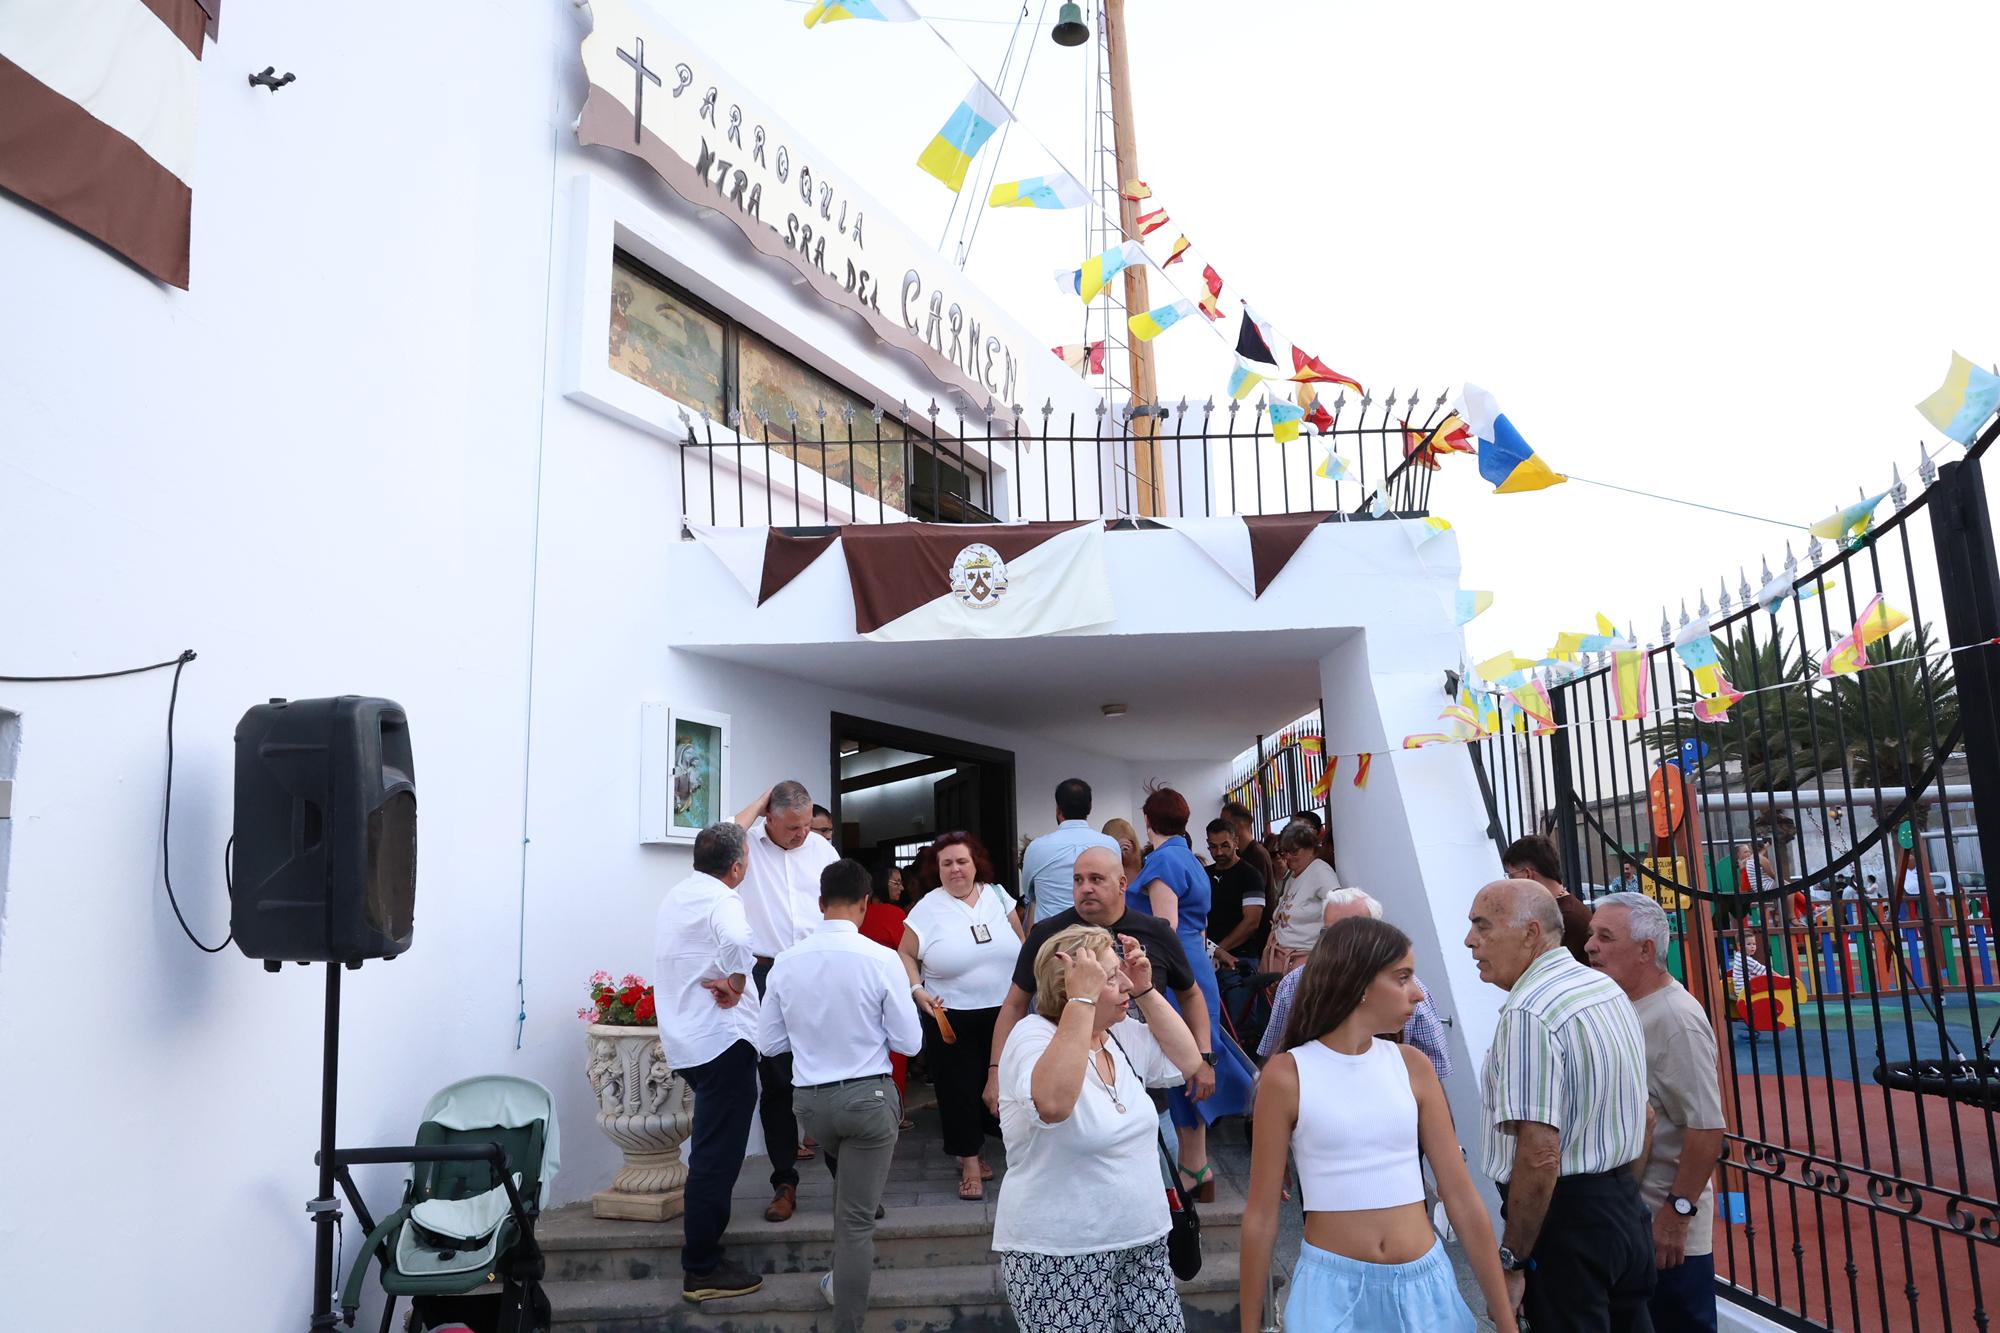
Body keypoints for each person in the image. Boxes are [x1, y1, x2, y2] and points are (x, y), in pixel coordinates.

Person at [1242, 917, 1515, 1333]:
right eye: (1402, 977)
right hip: (1330, 1297)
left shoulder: (1413, 1066)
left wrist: (1507, 1323)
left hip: (1427, 1289)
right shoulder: (1287, 1076)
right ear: (1359, 984)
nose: (1418, 993)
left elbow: (1461, 1198)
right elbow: (1261, 1216)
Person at [992, 924, 1205, 1333]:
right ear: (1073, 987)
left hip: (1144, 1242)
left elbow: (1189, 1062)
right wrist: (1082, 1000)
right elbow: (1053, 1104)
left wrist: (1145, 989)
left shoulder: (1117, 1034)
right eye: (1110, 977)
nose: (1123, 982)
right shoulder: (1030, 1037)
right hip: (1061, 1255)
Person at [1466, 879, 1654, 1333]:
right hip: (1623, 1210)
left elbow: (1540, 1153)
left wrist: (1512, 1260)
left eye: (1482, 926)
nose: (1470, 940)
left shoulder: (1530, 1012)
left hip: (1569, 1221)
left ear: (1531, 933)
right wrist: (1614, 1202)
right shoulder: (1603, 989)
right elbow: (1644, 1117)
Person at [758, 859, 924, 1331]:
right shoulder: (880, 958)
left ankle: (840, 1279)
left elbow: (769, 1043)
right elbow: (909, 1043)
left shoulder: (787, 961)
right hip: (868, 1099)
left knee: (849, 1199)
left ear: (819, 904)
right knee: (854, 1222)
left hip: (812, 1106)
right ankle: (847, 1321)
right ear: (866, 903)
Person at [987, 845, 1212, 1133]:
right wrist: (995, 1071)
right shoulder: (1048, 934)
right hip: (1069, 1086)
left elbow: (1191, 994)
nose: (1085, 888)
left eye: (1096, 879)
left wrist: (1204, 1056)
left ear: (1121, 884)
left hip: (1145, 1076)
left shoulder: (1156, 931)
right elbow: (1014, 1004)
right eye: (1078, 880)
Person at [1589, 894, 1726, 1333]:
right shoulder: (1625, 1003)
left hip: (1666, 1234)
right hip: (1633, 1222)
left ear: (1646, 950)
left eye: (1605, 937)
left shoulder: (1676, 1019)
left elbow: (1707, 1127)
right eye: (1592, 934)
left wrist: (1676, 1215)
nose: (1590, 945)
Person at [653, 822, 764, 1303]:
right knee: (717, 1154)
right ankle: (701, 1265)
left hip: (689, 1042)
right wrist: (737, 983)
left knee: (711, 1149)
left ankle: (704, 1256)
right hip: (722, 1040)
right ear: (737, 866)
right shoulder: (724, 899)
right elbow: (739, 942)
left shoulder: (677, 896)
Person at [1128, 785, 1252, 1202]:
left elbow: (1163, 928)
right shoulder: (1191, 860)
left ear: (1148, 821)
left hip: (1177, 971)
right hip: (1196, 965)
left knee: (1183, 1065)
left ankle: (1194, 1167)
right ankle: (1195, 1165)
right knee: (1192, 1061)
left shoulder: (1163, 860)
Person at [731, 780, 840, 1223]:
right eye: (793, 826)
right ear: (768, 818)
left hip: (818, 969)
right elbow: (719, 836)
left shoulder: (822, 851)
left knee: (831, 1077)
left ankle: (848, 1184)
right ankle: (784, 1182)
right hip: (765, 971)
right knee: (776, 1082)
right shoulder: (746, 847)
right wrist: (755, 803)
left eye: (807, 824)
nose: (802, 834)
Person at [897, 831, 1023, 1200]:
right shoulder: (926, 908)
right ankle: (969, 1161)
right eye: (947, 863)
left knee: (1005, 1086)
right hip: (950, 1014)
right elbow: (905, 954)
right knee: (959, 1090)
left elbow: (1023, 941)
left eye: (962, 861)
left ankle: (1007, 1153)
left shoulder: (999, 896)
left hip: (1005, 1012)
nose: (955, 869)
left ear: (975, 863)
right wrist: (916, 990)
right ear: (937, 869)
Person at [1257, 889, 1453, 1082]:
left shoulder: (1411, 992)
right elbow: (1274, 1051)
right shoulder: (1294, 983)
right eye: (1330, 932)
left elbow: (1432, 1074)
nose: (1340, 943)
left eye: (1353, 933)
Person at [1020, 778, 1120, 923]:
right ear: (1090, 807)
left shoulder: (1036, 848)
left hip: (1051, 937)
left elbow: (1030, 894)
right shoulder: (1110, 845)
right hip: (1097, 935)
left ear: (1058, 808)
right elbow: (1116, 889)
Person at [861, 859, 912, 1109]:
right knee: (896, 1050)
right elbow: (909, 953)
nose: (901, 888)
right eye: (897, 882)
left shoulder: (858, 913)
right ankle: (895, 1109)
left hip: (858, 991)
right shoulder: (893, 914)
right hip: (889, 991)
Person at [1262, 820, 1341, 975]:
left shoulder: (1320, 872)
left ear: (1311, 848)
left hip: (1305, 962)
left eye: (1294, 851)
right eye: (1284, 852)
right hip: (1283, 959)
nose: (1288, 858)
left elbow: (1339, 909)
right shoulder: (1293, 876)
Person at [1501, 835, 1593, 964]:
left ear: (1527, 874)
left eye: (1511, 875)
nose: (1510, 882)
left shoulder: (1568, 916)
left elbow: (1540, 969)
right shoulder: (1560, 908)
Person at [1203, 818, 1268, 972]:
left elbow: (1251, 922)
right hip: (1207, 957)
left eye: (1225, 846)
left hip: (1240, 960)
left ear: (1236, 842)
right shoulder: (1203, 874)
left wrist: (1218, 951)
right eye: (1213, 846)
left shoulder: (1250, 875)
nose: (1219, 852)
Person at [1220, 800, 1277, 893]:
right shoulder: (1239, 853)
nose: (1221, 828)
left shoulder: (1257, 855)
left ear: (1237, 825)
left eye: (1224, 823)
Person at [1102, 816, 1144, 886]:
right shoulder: (1102, 866)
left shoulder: (1146, 860)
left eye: (1129, 842)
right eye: (1120, 845)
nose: (1126, 848)